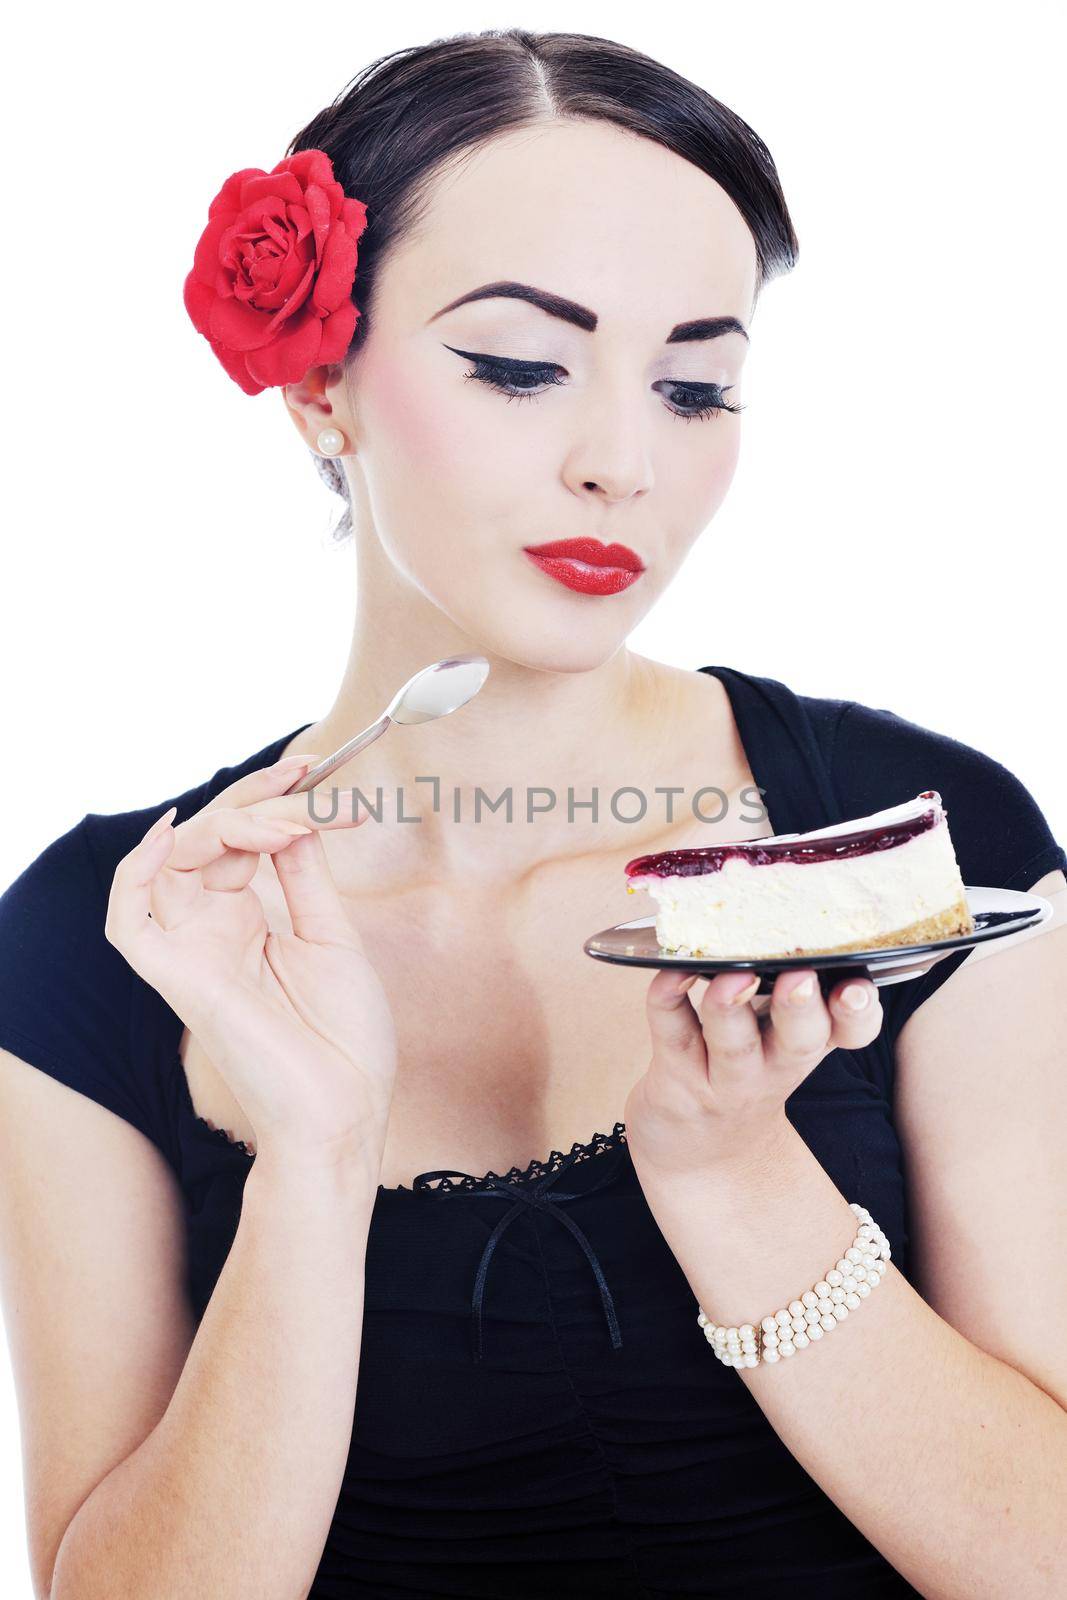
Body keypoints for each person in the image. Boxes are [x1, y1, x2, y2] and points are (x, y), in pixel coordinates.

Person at [1, 27, 1065, 1600]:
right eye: (518, 366)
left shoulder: (918, 835)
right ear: (320, 386)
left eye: (696, 385)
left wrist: (734, 1183)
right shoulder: (116, 939)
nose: (622, 464)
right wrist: (310, 1152)